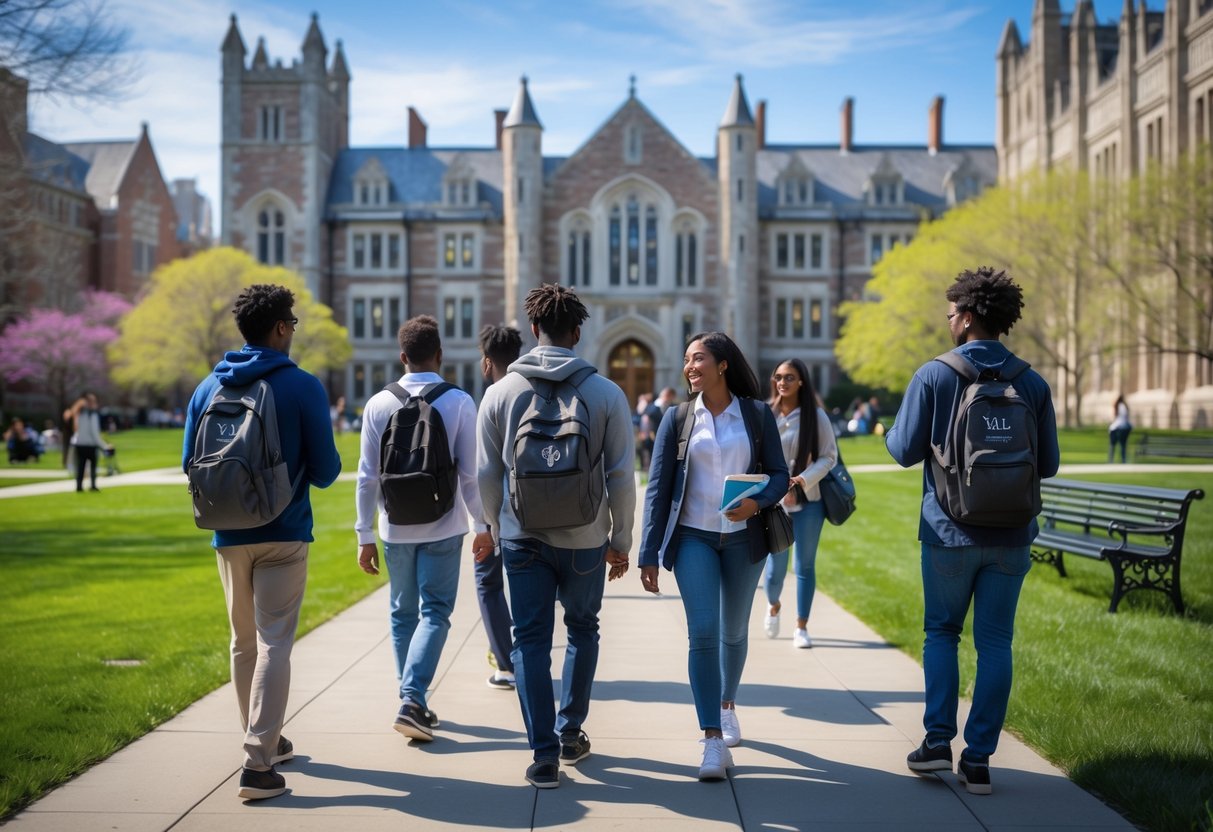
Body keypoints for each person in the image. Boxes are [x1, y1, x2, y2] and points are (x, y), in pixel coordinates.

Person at [885, 266, 1059, 796]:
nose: (947, 320)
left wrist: (889, 430)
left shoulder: (934, 375)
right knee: (996, 643)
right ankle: (979, 759)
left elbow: (903, 450)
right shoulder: (1031, 381)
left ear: (964, 317)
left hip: (948, 530)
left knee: (942, 633)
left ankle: (937, 743)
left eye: (950, 312)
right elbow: (1047, 464)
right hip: (1011, 535)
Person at [182, 284, 342, 801]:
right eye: (292, 323)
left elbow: (190, 464)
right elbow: (325, 472)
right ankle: (257, 762)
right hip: (284, 532)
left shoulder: (208, 387)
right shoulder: (301, 386)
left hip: (226, 533)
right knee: (275, 643)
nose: (294, 331)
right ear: (279, 328)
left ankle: (264, 737)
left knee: (242, 642)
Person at [477, 283, 635, 790]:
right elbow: (621, 477)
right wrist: (621, 538)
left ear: (532, 330)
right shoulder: (607, 392)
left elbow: (485, 473)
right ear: (579, 332)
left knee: (528, 641)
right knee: (583, 629)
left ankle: (542, 754)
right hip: (587, 536)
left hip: (523, 536)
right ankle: (570, 732)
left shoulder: (500, 392)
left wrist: (496, 525)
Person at [638, 331, 789, 781]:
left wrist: (757, 502)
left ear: (723, 365)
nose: (690, 366)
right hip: (693, 540)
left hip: (744, 539)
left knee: (733, 631)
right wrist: (648, 552)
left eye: (698, 358)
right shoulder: (677, 418)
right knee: (702, 632)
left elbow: (781, 476)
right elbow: (658, 490)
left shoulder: (757, 415)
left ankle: (727, 705)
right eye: (686, 360)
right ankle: (711, 741)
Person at [355, 315, 493, 742]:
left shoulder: (378, 403)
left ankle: (412, 701)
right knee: (435, 612)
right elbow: (470, 475)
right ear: (439, 354)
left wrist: (364, 534)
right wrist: (482, 525)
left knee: (402, 614)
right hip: (444, 524)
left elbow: (366, 477)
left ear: (402, 357)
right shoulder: (459, 401)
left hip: (394, 527)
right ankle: (412, 699)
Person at [762, 358, 837, 648]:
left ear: (801, 382)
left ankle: (801, 626)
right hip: (774, 504)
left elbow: (828, 457)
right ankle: (773, 605)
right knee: (774, 569)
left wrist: (803, 480)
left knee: (804, 565)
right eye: (779, 377)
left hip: (810, 501)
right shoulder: (766, 414)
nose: (782, 382)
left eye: (789, 377)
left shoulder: (816, 416)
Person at [476, 323, 524, 690]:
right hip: (533, 513)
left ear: (486, 362)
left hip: (498, 516)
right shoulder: (532, 392)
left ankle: (506, 664)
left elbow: (483, 471)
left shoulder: (491, 398)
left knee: (488, 582)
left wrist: (485, 527)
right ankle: (524, 655)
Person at [70, 393, 110, 491]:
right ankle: (92, 485)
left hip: (80, 444)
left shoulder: (79, 414)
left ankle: (79, 486)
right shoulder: (92, 415)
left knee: (81, 466)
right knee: (92, 466)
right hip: (90, 445)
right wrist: (104, 446)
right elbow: (94, 433)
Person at [1108, 395, 1132, 464]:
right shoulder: (1123, 406)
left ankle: (1112, 460)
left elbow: (1117, 419)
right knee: (1122, 445)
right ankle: (1123, 460)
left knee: (1114, 445)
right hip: (1123, 427)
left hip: (1117, 428)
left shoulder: (1118, 406)